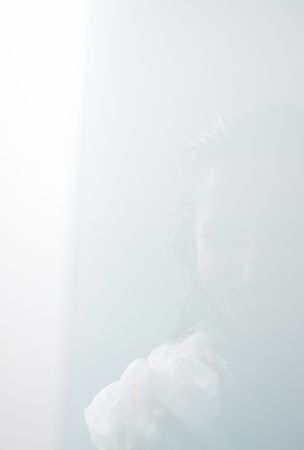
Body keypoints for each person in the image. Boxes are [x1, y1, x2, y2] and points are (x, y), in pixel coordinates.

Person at [85, 104, 304, 450]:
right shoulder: (171, 398)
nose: (254, 271)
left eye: (288, 236)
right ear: (191, 243)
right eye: (224, 239)